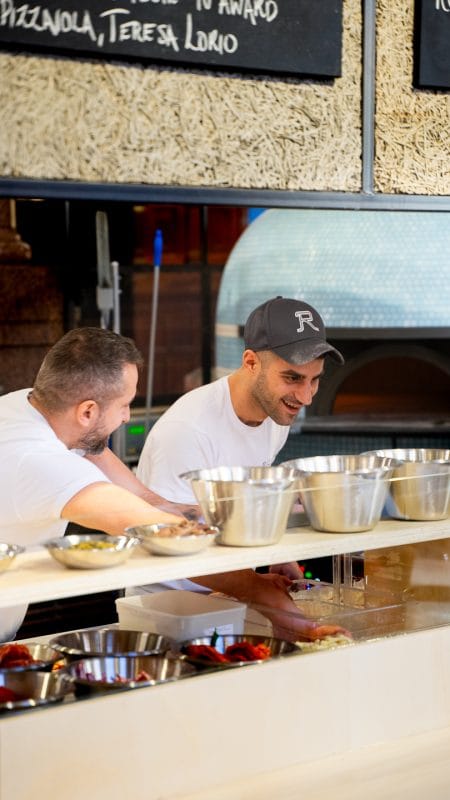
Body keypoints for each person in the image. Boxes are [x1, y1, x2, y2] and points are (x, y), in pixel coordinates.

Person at [136, 296, 347, 641]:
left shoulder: (276, 413)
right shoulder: (188, 431)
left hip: (229, 599)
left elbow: (236, 510)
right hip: (170, 613)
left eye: (315, 380)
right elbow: (171, 544)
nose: (306, 397)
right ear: (250, 362)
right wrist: (257, 590)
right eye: (293, 378)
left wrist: (273, 556)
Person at [0, 327, 183, 641]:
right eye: (124, 404)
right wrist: (262, 592)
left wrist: (193, 511)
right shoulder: (37, 459)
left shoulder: (27, 406)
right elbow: (156, 530)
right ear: (86, 411)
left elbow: (145, 500)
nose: (127, 416)